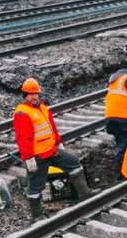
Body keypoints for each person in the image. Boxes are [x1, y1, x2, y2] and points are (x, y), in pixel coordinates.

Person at [13, 78, 89, 221]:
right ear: (24, 95)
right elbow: (23, 139)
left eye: (36, 93)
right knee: (36, 186)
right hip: (38, 156)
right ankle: (37, 216)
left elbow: (51, 127)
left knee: (73, 163)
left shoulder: (42, 107)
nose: (34, 97)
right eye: (31, 94)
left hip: (51, 150)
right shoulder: (22, 113)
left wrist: (58, 143)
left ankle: (85, 196)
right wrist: (29, 158)